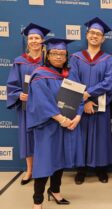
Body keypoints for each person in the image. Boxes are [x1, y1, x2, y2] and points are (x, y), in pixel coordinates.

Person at [26, 38, 84, 209]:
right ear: (47, 54)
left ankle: (55, 190)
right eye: (55, 53)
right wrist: (60, 119)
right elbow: (42, 102)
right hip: (47, 126)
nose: (59, 57)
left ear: (66, 56)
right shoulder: (40, 75)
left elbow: (79, 97)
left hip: (65, 126)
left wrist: (78, 116)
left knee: (60, 160)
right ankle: (37, 200)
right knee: (44, 162)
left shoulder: (70, 74)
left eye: (62, 54)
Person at [69, 17, 112, 184]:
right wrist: (84, 102)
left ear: (103, 38)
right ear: (87, 35)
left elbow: (109, 82)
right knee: (81, 137)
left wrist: (89, 94)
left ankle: (100, 169)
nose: (95, 36)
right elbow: (73, 81)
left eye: (98, 34)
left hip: (100, 105)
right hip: (81, 106)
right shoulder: (76, 58)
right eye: (92, 33)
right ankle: (81, 169)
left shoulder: (109, 59)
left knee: (101, 137)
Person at [6, 23, 50, 185]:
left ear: (43, 41)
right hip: (26, 107)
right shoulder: (19, 62)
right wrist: (19, 94)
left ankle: (45, 169)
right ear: (27, 41)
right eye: (30, 38)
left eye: (37, 38)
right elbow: (12, 85)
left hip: (45, 108)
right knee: (27, 138)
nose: (33, 41)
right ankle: (30, 170)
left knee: (45, 138)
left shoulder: (48, 61)